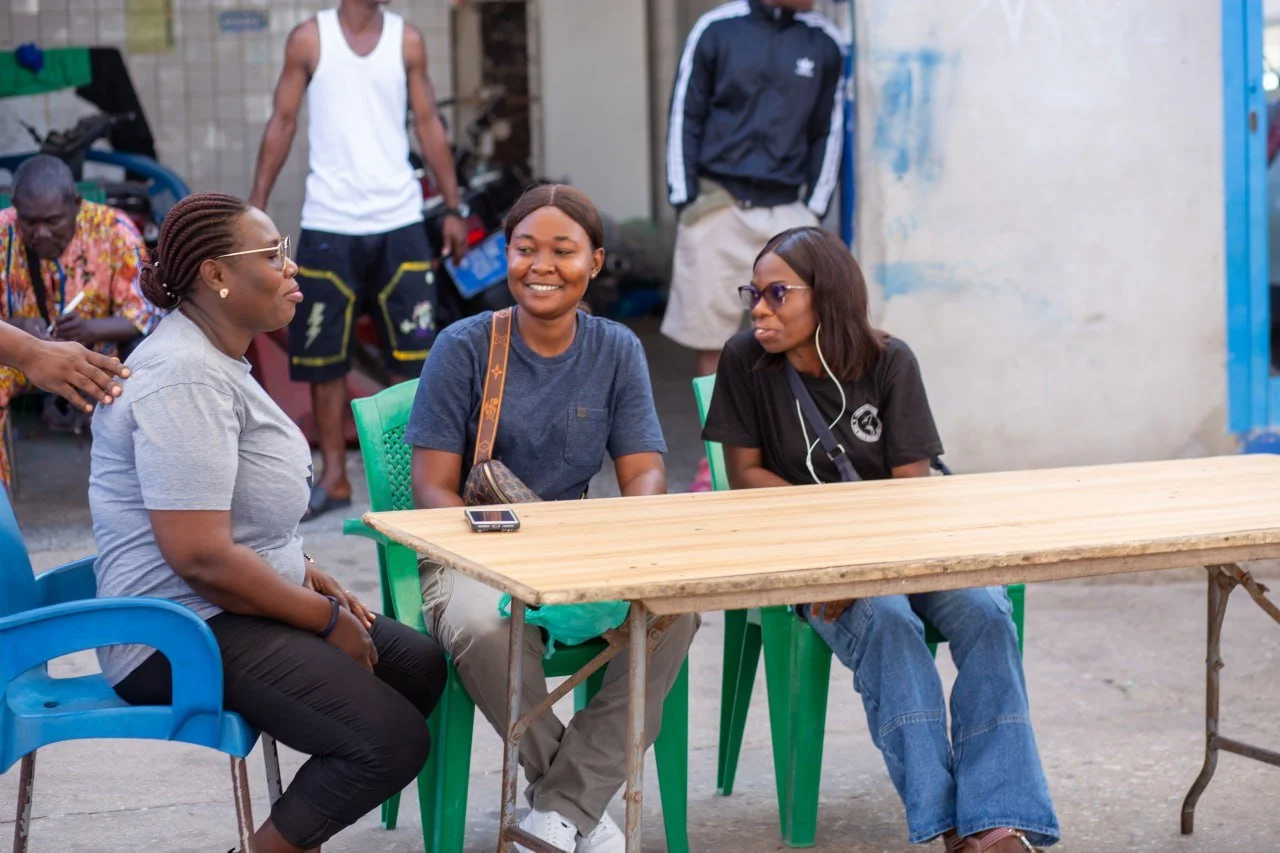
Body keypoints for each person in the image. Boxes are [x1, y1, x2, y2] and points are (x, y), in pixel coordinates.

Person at [89, 193, 447, 853]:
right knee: (389, 739)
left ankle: (296, 830)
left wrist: (302, 572)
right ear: (217, 275)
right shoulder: (183, 378)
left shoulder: (217, 357)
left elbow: (234, 516)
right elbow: (200, 556)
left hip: (218, 608)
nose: (292, 268)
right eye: (273, 254)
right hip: (174, 631)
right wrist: (323, 620)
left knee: (415, 665)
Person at [702, 227, 1059, 853]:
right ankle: (948, 824)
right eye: (753, 294)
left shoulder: (891, 361)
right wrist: (836, 519)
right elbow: (745, 475)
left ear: (828, 297)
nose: (759, 309)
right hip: (812, 557)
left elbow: (909, 488)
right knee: (889, 623)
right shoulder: (744, 360)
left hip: (907, 542)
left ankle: (996, 814)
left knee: (985, 613)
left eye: (777, 294)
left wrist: (871, 531)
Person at [408, 184, 698, 853]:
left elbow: (644, 469)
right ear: (505, 257)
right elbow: (432, 487)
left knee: (675, 608)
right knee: (484, 624)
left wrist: (635, 533)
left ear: (594, 261)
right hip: (467, 547)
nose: (541, 265)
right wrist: (498, 560)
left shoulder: (617, 348)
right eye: (525, 249)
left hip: (575, 545)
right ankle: (577, 808)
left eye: (562, 251)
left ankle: (559, 810)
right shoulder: (465, 346)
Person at [249, 0, 469, 521]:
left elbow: (428, 122)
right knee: (324, 361)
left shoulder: (406, 40)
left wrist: (454, 204)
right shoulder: (310, 39)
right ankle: (334, 479)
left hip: (399, 220)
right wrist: (254, 210)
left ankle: (410, 480)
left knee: (413, 361)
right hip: (330, 221)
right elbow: (282, 121)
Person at [663, 0, 846, 491]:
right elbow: (686, 112)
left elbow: (828, 130)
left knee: (803, 336)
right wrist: (685, 199)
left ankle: (793, 454)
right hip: (718, 203)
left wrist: (814, 207)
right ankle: (716, 464)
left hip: (788, 209)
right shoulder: (716, 29)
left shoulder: (825, 43)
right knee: (714, 342)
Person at [0, 154, 157, 484]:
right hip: (17, 359)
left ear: (75, 203)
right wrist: (18, 328)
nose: (40, 233)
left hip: (97, 360)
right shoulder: (3, 231)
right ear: (15, 208)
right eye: (29, 222)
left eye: (53, 221)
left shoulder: (114, 231)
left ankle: (150, 485)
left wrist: (89, 329)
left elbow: (143, 314)